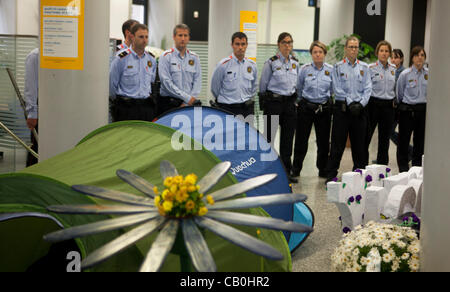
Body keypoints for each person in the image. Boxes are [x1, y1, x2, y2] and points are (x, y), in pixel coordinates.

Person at [325, 36, 372, 182]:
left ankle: (359, 175)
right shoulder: (338, 67)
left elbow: (368, 88)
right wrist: (351, 103)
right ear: (345, 48)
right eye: (351, 47)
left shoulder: (364, 67)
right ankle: (331, 175)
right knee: (337, 145)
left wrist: (361, 104)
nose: (353, 49)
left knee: (360, 146)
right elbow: (336, 88)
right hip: (343, 110)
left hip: (360, 111)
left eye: (356, 47)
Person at [259, 32, 299, 183]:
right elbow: (263, 86)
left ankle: (285, 173)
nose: (287, 45)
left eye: (290, 42)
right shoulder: (271, 63)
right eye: (284, 42)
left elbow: (297, 85)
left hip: (289, 104)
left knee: (287, 141)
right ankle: (265, 172)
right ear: (278, 44)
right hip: (273, 103)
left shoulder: (295, 63)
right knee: (268, 139)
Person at [292, 41, 333, 179]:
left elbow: (333, 90)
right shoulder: (304, 69)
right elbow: (299, 88)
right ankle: (296, 169)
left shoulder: (331, 70)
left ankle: (322, 169)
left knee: (323, 142)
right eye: (315, 52)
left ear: (324, 54)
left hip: (323, 109)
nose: (318, 54)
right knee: (301, 140)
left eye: (320, 52)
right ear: (311, 54)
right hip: (306, 109)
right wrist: (300, 103)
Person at [109, 23, 157, 121]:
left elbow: (151, 82)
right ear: (132, 37)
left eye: (146, 37)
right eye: (141, 37)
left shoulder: (151, 59)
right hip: (127, 108)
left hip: (145, 107)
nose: (144, 40)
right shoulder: (121, 58)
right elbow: (112, 84)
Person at [158, 24, 202, 116]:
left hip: (188, 104)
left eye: (185, 35)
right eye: (180, 35)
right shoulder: (166, 56)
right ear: (174, 37)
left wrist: (187, 102)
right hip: (169, 104)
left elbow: (197, 82)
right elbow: (166, 83)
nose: (183, 38)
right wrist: (187, 98)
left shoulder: (195, 58)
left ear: (189, 37)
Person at [211, 32, 258, 119]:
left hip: (246, 109)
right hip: (228, 108)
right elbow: (215, 88)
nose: (240, 47)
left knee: (246, 133)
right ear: (232, 45)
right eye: (237, 44)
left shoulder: (252, 65)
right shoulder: (223, 65)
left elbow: (254, 86)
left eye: (243, 44)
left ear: (246, 45)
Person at [396, 46, 428, 172]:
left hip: (422, 111)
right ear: (412, 58)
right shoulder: (405, 74)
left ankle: (416, 168)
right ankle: (403, 169)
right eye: (417, 55)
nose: (420, 57)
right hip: (407, 111)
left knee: (420, 142)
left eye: (422, 55)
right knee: (403, 141)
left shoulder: (428, 74)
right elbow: (399, 93)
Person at [366, 41, 397, 166]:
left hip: (388, 107)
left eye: (386, 51)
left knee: (384, 139)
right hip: (373, 105)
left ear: (389, 53)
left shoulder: (394, 69)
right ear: (377, 52)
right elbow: (367, 87)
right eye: (381, 51)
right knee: (366, 136)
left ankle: (382, 166)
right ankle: (362, 164)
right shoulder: (371, 68)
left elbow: (395, 88)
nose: (384, 53)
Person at [24, 48, 39, 166]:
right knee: (37, 147)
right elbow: (31, 86)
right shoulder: (34, 56)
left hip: (55, 107)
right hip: (39, 107)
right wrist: (32, 113)